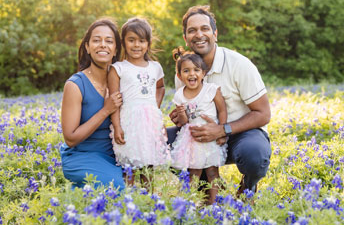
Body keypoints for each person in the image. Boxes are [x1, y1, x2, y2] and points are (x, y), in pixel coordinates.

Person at [168, 5, 272, 194]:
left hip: (242, 135)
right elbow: (189, 113)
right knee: (160, 142)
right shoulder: (183, 70)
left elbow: (264, 114)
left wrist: (223, 129)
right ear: (185, 38)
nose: (199, 34)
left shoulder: (239, 64)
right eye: (192, 30)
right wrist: (181, 118)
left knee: (255, 155)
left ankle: (247, 188)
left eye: (205, 28)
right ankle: (207, 188)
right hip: (201, 136)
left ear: (215, 34)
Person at [60, 18, 125, 189]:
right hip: (83, 156)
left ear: (115, 49)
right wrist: (106, 110)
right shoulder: (75, 85)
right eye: (96, 40)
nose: (103, 45)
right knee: (118, 188)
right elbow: (70, 138)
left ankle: (78, 196)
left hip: (118, 155)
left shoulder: (124, 79)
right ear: (87, 47)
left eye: (109, 41)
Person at [108, 17, 170, 186]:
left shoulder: (155, 67)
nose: (136, 45)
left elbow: (160, 87)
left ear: (148, 43)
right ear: (123, 42)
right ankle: (129, 199)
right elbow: (113, 101)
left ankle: (147, 201)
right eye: (131, 40)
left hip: (149, 123)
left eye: (141, 41)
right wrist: (117, 126)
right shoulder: (118, 68)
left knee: (148, 165)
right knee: (129, 164)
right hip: (128, 122)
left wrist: (153, 108)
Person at [171, 49, 227, 204]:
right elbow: (184, 122)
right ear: (179, 75)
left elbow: (222, 110)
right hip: (192, 138)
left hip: (210, 137)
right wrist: (181, 113)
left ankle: (214, 203)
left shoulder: (211, 90)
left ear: (203, 73)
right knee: (193, 173)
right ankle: (189, 203)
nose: (192, 74)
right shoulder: (179, 95)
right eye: (186, 71)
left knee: (212, 172)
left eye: (196, 70)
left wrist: (222, 131)